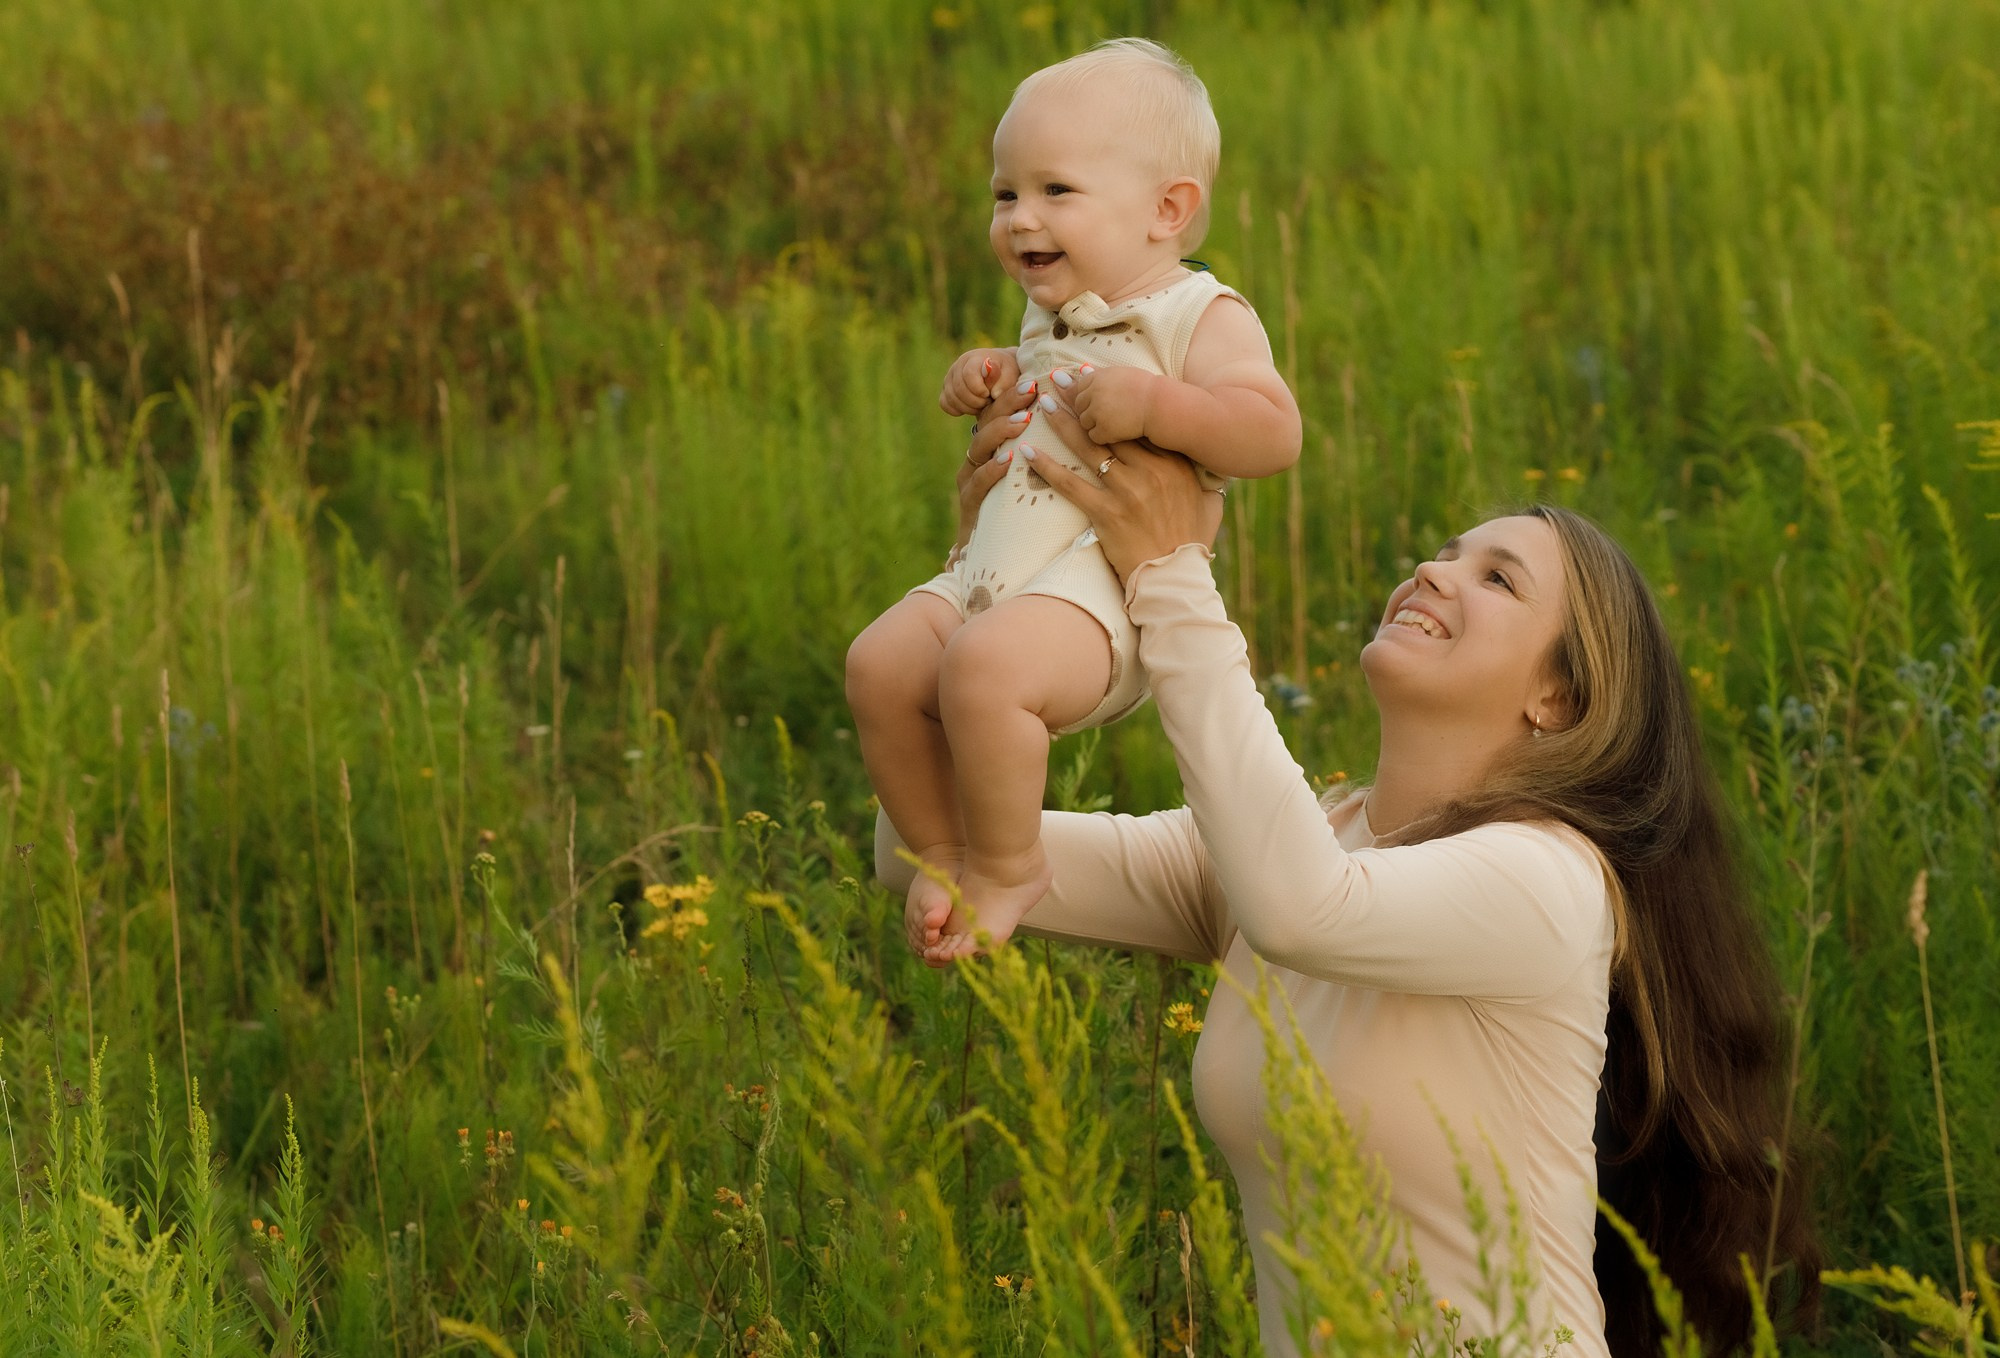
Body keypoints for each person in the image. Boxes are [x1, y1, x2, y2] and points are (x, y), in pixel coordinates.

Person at [879, 398, 1822, 1355]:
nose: (1434, 572)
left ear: (1559, 697)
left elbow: (1302, 910)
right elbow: (921, 848)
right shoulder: (1293, 849)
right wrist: (993, 571)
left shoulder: (1552, 881)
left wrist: (1170, 573)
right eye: (1447, 553)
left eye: (1497, 578)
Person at [845, 38, 1303, 965]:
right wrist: (989, 371)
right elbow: (1043, 382)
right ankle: (941, 854)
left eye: (1056, 190)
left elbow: (1272, 430)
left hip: (1097, 599)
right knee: (879, 664)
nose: (1020, 218)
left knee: (982, 670)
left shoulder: (1199, 315)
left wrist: (1161, 407)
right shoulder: (1052, 314)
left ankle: (1010, 865)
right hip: (991, 575)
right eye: (1004, 194)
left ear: (1167, 210)